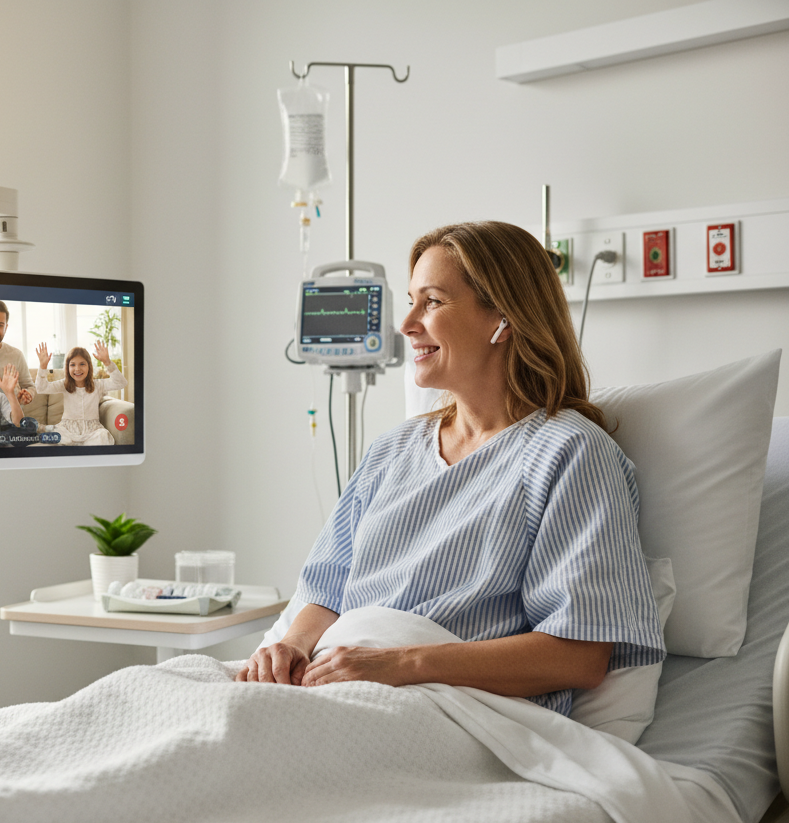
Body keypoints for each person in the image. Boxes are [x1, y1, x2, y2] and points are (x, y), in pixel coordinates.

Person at [238, 220, 665, 717]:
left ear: (503, 318)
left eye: (433, 302)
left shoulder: (570, 453)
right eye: (411, 300)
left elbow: (580, 655)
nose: (407, 323)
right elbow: (327, 588)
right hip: (335, 681)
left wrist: (403, 663)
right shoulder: (392, 450)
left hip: (449, 705)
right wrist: (290, 645)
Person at [32, 341, 124, 446]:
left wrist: (107, 362)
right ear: (67, 368)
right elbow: (40, 388)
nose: (77, 369)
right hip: (67, 430)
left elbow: (120, 383)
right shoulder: (64, 384)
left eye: (82, 364)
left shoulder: (98, 385)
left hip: (91, 431)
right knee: (54, 437)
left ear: (89, 366)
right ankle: (42, 429)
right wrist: (43, 366)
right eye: (72, 365)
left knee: (102, 437)